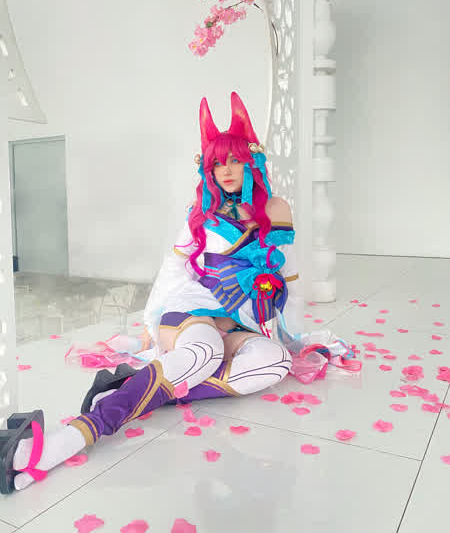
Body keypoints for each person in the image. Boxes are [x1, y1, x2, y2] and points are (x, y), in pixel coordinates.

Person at [0, 92, 347, 495]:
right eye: (216, 163)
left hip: (241, 320)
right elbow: (173, 266)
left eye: (234, 160)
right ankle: (75, 433)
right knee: (205, 353)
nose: (225, 170)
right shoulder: (201, 214)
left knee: (274, 363)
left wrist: (289, 330)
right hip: (192, 310)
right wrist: (150, 325)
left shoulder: (275, 209)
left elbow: (286, 274)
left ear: (251, 162)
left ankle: (145, 385)